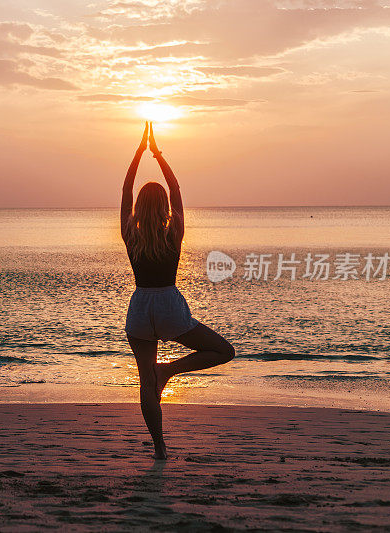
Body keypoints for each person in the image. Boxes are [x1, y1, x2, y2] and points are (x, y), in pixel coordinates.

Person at [122, 122, 235, 460]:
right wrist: (158, 155)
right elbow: (176, 189)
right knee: (223, 350)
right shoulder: (174, 235)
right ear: (165, 209)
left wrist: (138, 154)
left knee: (145, 383)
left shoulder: (131, 232)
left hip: (140, 307)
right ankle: (169, 370)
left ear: (139, 207)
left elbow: (126, 190)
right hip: (169, 306)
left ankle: (159, 447)